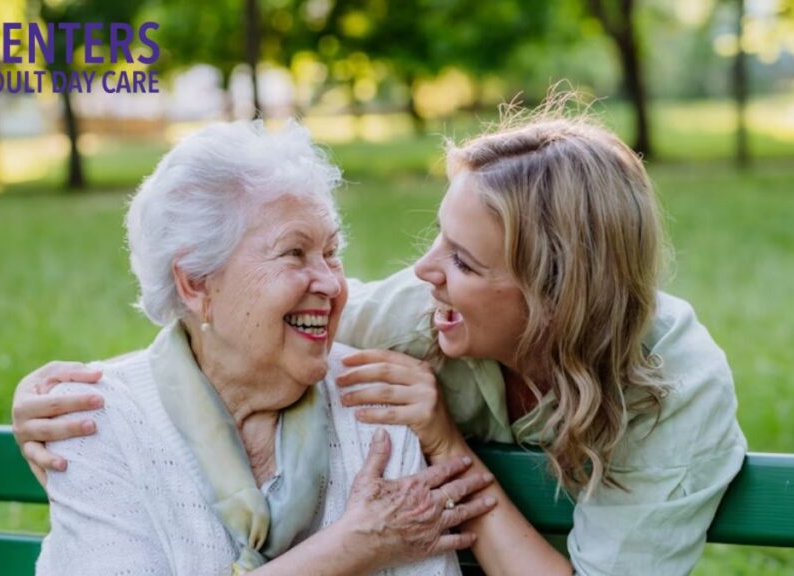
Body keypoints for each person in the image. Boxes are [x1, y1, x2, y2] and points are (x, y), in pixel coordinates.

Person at [15, 96, 746, 575]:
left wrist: (445, 445)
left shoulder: (674, 389)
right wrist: (59, 403)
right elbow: (244, 327)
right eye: (438, 240)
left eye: (462, 261)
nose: (423, 271)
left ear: (553, 295)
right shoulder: (413, 317)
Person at [31, 120, 496, 575]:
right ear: (195, 284)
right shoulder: (94, 417)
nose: (331, 282)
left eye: (331, 252)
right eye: (294, 253)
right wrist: (351, 548)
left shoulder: (376, 403)